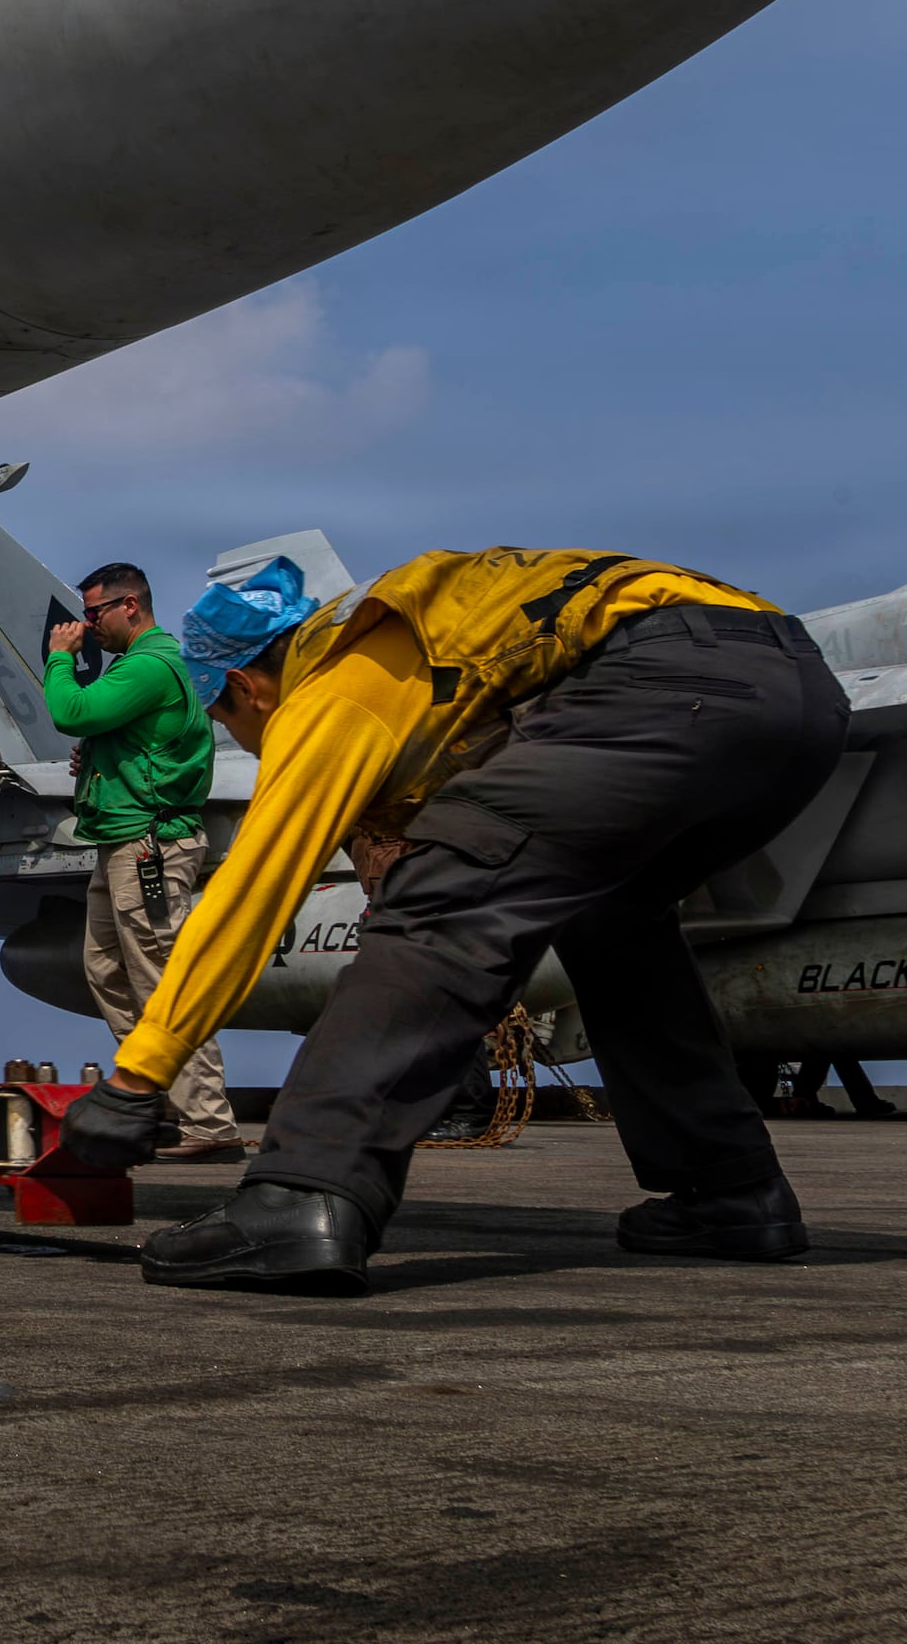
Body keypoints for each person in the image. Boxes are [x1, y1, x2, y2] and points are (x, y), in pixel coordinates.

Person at [48, 548, 848, 1294]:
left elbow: (254, 892)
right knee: (615, 920)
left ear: (244, 688)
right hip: (795, 693)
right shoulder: (406, 647)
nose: (244, 741)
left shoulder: (330, 684)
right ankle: (729, 1190)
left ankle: (305, 1195)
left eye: (229, 724)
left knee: (441, 905)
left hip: (664, 685)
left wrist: (136, 1078)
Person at [42, 562, 240, 1163]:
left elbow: (71, 712)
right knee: (106, 972)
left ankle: (210, 1125)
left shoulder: (152, 665)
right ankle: (152, 1100)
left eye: (95, 613)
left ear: (130, 606)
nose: (86, 625)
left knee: (161, 982)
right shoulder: (141, 670)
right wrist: (98, 758)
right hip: (122, 843)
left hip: (148, 846)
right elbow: (121, 738)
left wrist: (59, 659)